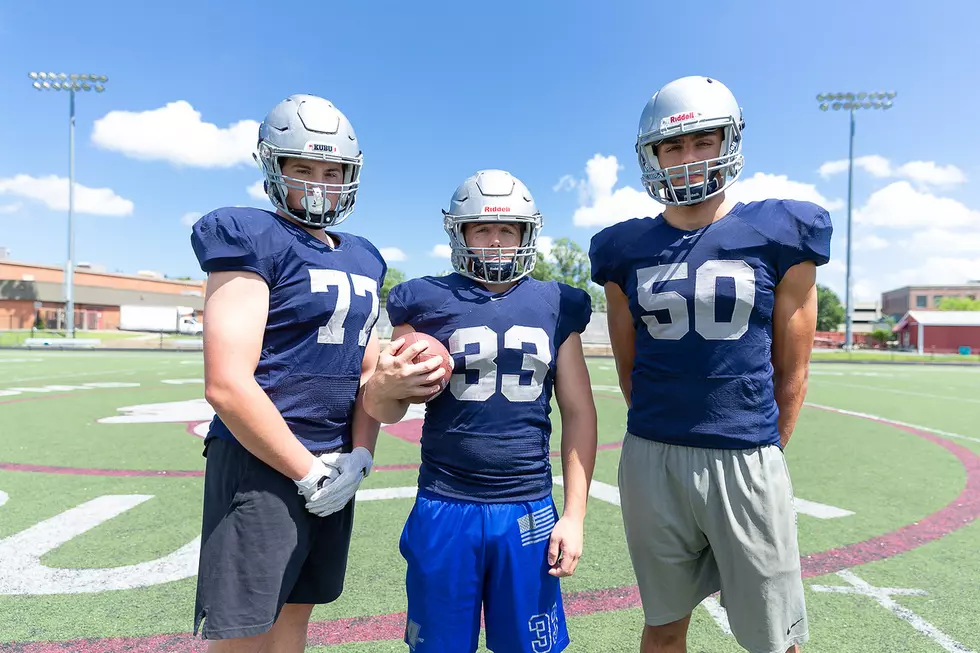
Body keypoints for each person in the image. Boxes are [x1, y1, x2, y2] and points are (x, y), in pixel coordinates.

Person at [588, 76, 831, 653]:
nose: (688, 158)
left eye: (703, 140)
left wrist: (761, 446)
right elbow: (630, 366)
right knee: (664, 626)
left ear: (730, 141)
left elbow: (792, 370)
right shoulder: (622, 248)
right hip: (652, 455)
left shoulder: (780, 230)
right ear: (651, 156)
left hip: (746, 454)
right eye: (672, 146)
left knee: (775, 639)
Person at [361, 169, 598, 653]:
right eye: (481, 229)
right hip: (446, 501)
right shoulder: (425, 300)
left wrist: (573, 516)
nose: (494, 241)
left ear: (525, 234)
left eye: (507, 229)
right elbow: (382, 409)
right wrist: (384, 385)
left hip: (527, 505)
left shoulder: (556, 303)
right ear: (460, 233)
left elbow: (578, 411)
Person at [189, 93, 387, 653]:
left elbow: (367, 372)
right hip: (264, 462)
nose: (320, 184)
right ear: (273, 168)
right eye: (303, 169)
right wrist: (307, 472)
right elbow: (227, 382)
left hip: (334, 460)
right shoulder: (249, 234)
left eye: (333, 171)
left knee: (296, 616)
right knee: (245, 631)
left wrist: (360, 454)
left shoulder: (365, 256)